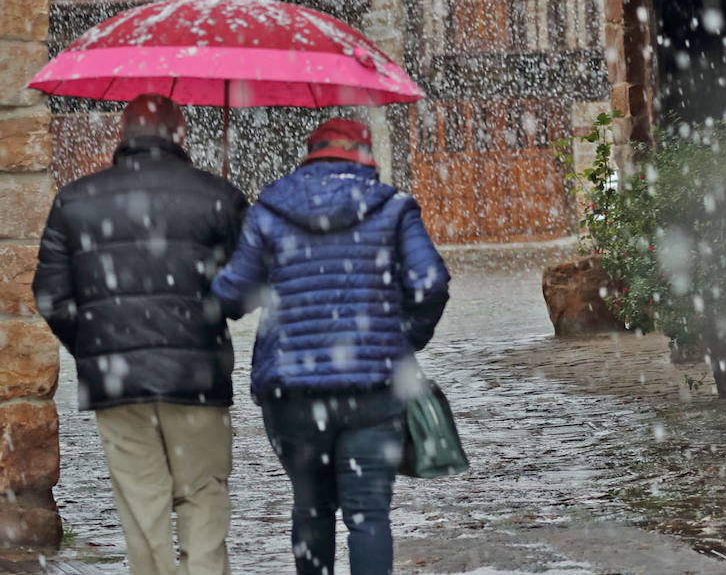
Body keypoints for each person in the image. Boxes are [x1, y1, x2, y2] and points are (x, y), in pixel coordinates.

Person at [212, 115, 450, 575]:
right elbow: (431, 282)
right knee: (368, 515)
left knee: (311, 507)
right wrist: (403, 339)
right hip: (373, 390)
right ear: (365, 155)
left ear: (309, 153)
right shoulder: (394, 207)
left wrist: (229, 258)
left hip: (292, 393)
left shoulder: (268, 210)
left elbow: (231, 297)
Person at [33, 93, 248, 575]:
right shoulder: (217, 196)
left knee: (142, 505)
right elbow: (246, 291)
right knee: (203, 496)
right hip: (197, 377)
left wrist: (96, 347)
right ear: (181, 133)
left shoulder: (75, 199)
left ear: (121, 135)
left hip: (117, 382)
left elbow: (49, 294)